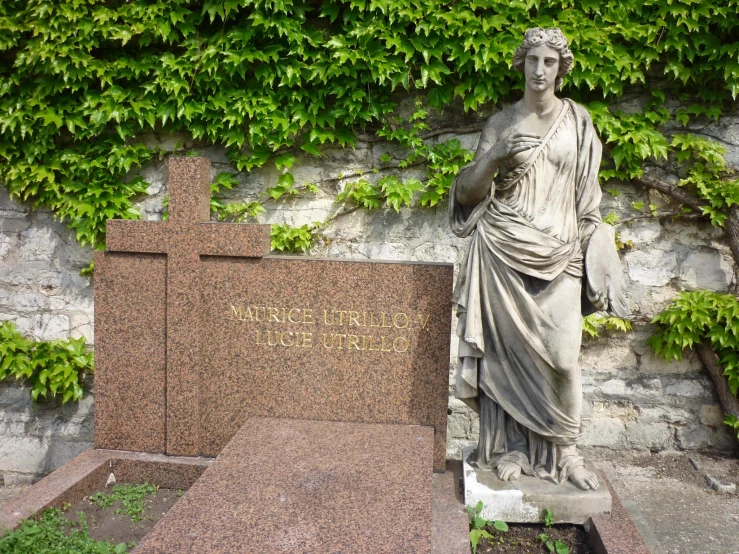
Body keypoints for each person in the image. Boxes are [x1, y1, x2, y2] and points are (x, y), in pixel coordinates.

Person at [450, 27, 618, 491]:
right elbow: (466, 193)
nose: (539, 70)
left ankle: (566, 452)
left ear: (561, 69)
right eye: (532, 61)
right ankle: (514, 451)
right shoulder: (501, 124)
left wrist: (597, 246)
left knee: (564, 359)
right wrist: (495, 156)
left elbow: (589, 203)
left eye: (549, 62)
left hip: (559, 252)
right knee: (505, 363)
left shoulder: (579, 122)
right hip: (502, 250)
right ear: (522, 64)